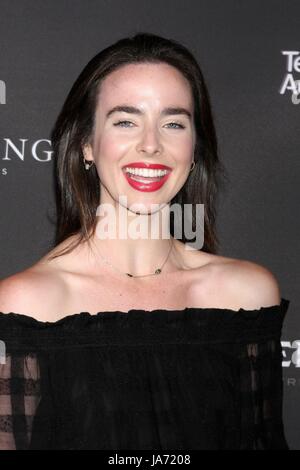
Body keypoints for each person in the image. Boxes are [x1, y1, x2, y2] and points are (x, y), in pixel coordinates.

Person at [0, 32, 290, 450]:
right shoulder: (26, 305)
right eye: (125, 121)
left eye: (173, 123)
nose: (151, 145)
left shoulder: (244, 295)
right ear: (86, 143)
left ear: (194, 150)